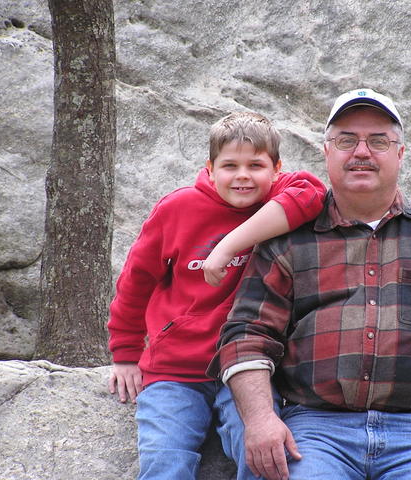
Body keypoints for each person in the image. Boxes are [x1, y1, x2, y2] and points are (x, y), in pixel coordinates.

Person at [208, 88, 411, 480]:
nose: (362, 151)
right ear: (327, 152)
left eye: (378, 141)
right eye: (346, 140)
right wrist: (259, 420)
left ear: (401, 154)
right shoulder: (289, 239)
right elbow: (245, 336)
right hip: (316, 431)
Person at [106, 111, 327, 479]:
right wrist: (126, 353)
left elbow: (313, 191)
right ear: (209, 169)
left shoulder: (276, 205)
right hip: (174, 371)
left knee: (263, 455)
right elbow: (135, 283)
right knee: (164, 459)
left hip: (247, 371)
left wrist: (227, 246)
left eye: (255, 165)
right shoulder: (177, 209)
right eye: (230, 165)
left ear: (276, 170)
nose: (242, 175)